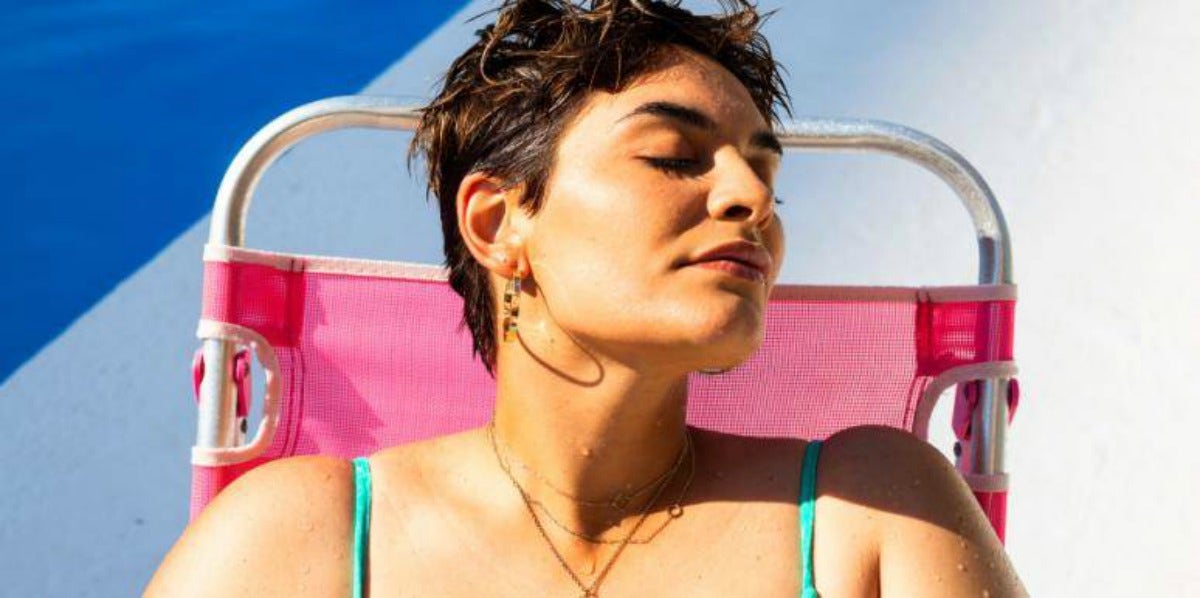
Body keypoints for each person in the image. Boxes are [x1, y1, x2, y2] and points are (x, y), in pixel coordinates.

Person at [146, 1, 1026, 596]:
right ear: (498, 223)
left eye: (766, 176)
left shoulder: (868, 509)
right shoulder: (299, 539)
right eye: (675, 158)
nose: (751, 202)